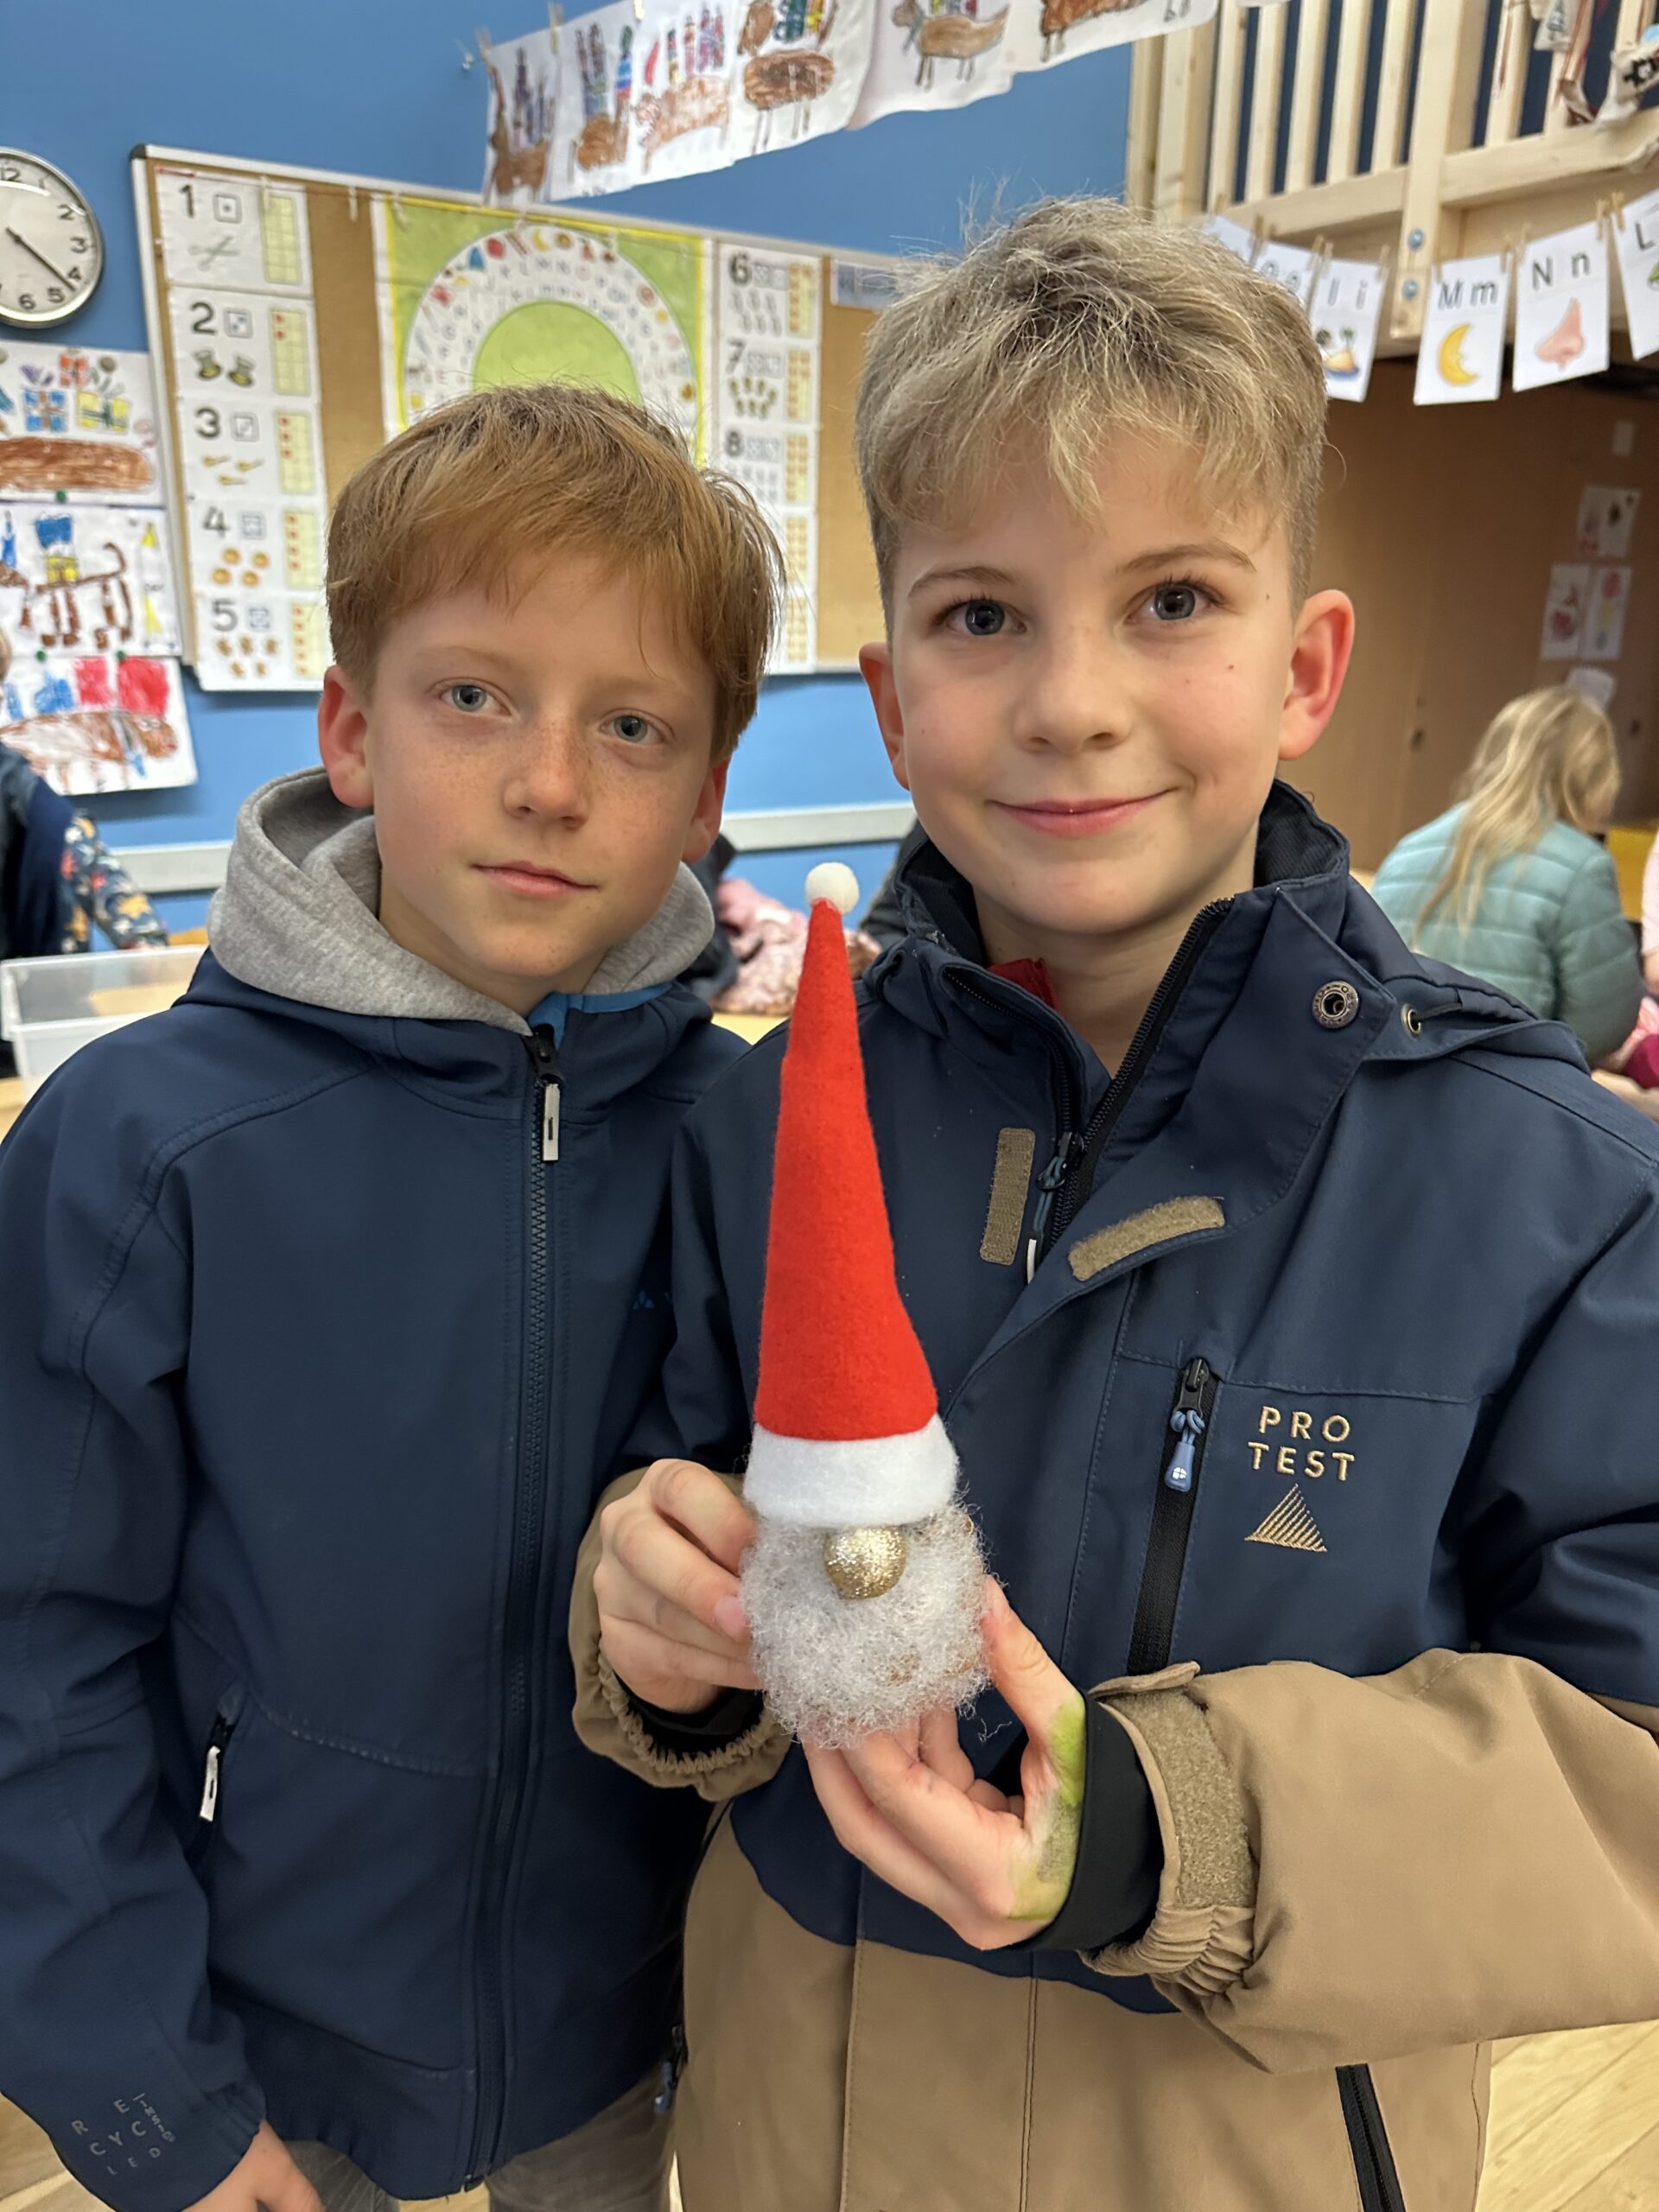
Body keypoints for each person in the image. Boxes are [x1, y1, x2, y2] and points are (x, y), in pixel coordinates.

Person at [571, 201, 1659, 2212]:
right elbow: (679, 1514)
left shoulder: (1552, 1190)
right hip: (787, 2135)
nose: (1070, 700)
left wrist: (1176, 1830)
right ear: (892, 699)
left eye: (1170, 599)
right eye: (985, 615)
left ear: (1305, 665)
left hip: (1231, 2147)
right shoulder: (755, 1127)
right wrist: (647, 1618)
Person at [0, 385, 780, 2212]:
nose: (550, 782)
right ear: (353, 729)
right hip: (258, 2059)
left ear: (705, 795)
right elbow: (32, 1655)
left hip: (624, 2034)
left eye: (632, 724)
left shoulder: (740, 1133)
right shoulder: (138, 1147)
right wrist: (142, 2088)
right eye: (475, 696)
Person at [1369, 685, 1643, 1062]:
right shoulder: (1583, 868)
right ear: (1594, 778)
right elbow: (1603, 1028)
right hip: (1516, 1080)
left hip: (1398, 1071)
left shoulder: (1407, 850)